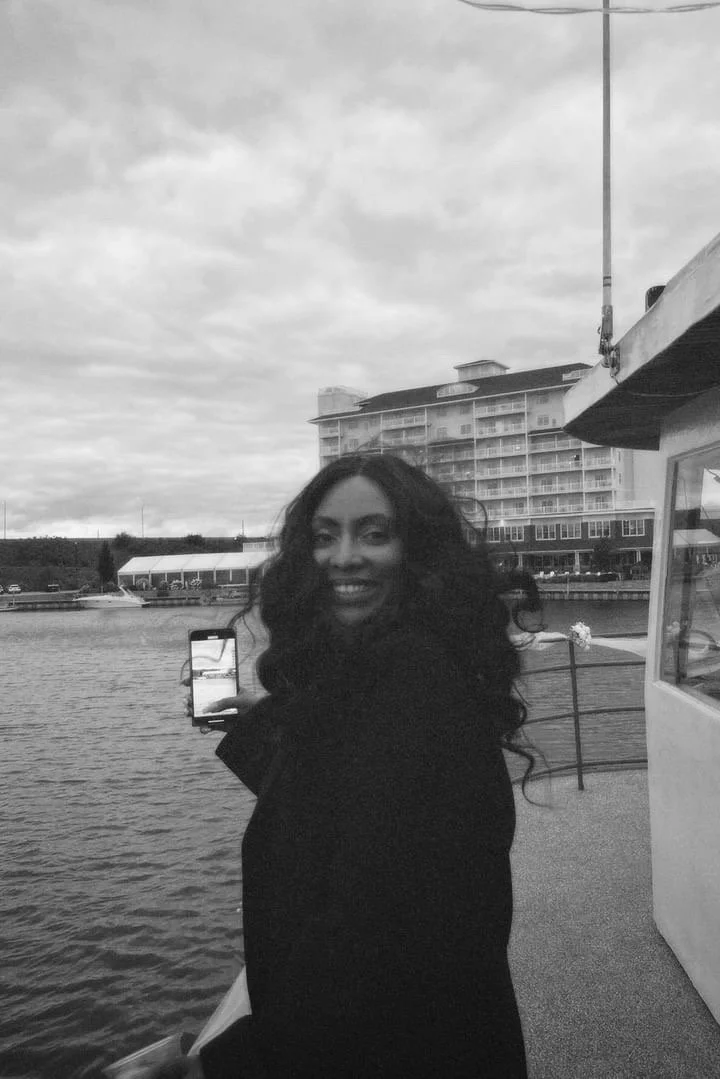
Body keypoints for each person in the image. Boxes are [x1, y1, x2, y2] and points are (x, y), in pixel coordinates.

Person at [156, 453, 533, 1078]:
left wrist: (220, 1067)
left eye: (374, 534)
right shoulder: (394, 667)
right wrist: (259, 721)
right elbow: (348, 801)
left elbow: (371, 944)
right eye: (324, 536)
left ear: (419, 552)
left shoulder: (408, 683)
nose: (343, 557)